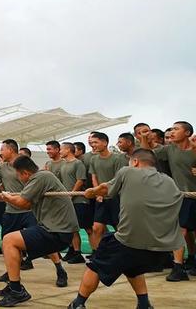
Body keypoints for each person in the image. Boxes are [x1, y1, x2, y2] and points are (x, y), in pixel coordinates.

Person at [68, 149, 184, 309]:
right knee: (132, 266)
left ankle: (78, 303)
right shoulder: (169, 181)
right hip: (161, 249)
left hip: (128, 241)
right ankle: (144, 304)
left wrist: (91, 192)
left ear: (135, 162)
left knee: (95, 266)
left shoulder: (128, 172)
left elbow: (104, 189)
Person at [0, 155, 78, 307]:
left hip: (57, 231)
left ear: (24, 173)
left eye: (17, 174)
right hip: (53, 229)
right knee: (12, 241)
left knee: (9, 240)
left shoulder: (41, 177)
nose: (17, 177)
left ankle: (17, 291)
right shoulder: (41, 178)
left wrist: (5, 196)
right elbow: (27, 204)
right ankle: (13, 284)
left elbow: (22, 203)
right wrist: (5, 196)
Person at [140, 121, 196, 280]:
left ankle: (192, 258)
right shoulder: (169, 150)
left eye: (176, 129)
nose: (172, 132)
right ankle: (178, 266)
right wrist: (144, 138)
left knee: (190, 231)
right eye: (171, 129)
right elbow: (145, 154)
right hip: (182, 196)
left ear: (187, 133)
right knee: (181, 230)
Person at [0, 139, 37, 279]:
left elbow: (35, 179)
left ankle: (59, 269)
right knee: (7, 242)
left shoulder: (24, 163)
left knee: (39, 241)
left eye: (2, 149)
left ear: (10, 150)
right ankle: (11, 272)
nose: (0, 152)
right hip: (11, 210)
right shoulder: (3, 167)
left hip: (28, 208)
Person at [88, 132, 126, 251]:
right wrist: (97, 192)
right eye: (92, 142)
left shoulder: (117, 158)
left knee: (119, 228)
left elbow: (118, 178)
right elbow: (94, 176)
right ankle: (97, 254)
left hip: (115, 198)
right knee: (96, 228)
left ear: (105, 142)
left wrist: (105, 191)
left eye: (96, 142)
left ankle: (122, 254)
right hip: (101, 198)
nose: (93, 145)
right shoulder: (93, 159)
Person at [59, 142, 91, 264]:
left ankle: (97, 251)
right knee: (72, 228)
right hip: (68, 201)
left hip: (79, 200)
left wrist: (71, 194)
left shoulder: (78, 163)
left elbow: (80, 180)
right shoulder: (63, 165)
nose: (60, 151)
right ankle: (76, 252)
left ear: (68, 150)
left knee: (87, 228)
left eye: (61, 149)